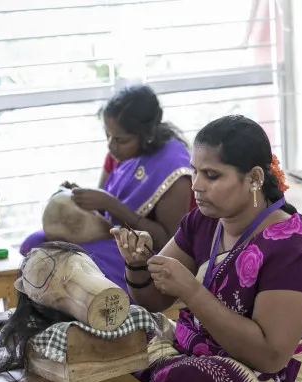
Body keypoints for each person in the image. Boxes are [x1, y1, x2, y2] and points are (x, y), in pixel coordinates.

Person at [84, 115, 302, 382]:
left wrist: (191, 292)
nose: (197, 186)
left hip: (286, 380)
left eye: (212, 176)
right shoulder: (205, 221)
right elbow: (154, 302)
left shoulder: (294, 247)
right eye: (194, 172)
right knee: (111, 343)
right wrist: (137, 266)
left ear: (255, 178)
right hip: (205, 354)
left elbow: (271, 356)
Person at [19, 84, 192, 290]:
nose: (111, 145)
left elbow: (167, 242)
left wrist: (111, 205)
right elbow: (103, 209)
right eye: (108, 135)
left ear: (147, 135)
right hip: (115, 235)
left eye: (120, 139)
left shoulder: (174, 170)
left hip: (145, 253)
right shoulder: (119, 152)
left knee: (70, 263)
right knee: (34, 244)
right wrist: (82, 197)